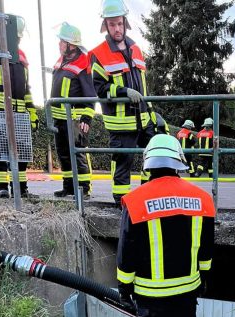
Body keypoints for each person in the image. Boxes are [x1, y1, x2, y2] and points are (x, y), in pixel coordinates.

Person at [116, 134, 215, 317]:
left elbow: (127, 250)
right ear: (179, 162)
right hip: (187, 289)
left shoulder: (135, 200)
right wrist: (203, 277)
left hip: (151, 293)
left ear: (148, 164)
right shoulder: (202, 199)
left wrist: (124, 287)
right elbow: (206, 248)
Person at [89, 0, 155, 207]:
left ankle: (147, 194)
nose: (117, 29)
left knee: (152, 158)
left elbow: (144, 87)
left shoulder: (136, 48)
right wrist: (124, 91)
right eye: (112, 24)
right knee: (122, 163)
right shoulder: (98, 54)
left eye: (119, 23)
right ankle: (121, 202)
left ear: (125, 22)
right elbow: (100, 89)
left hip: (144, 119)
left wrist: (152, 112)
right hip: (121, 123)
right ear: (105, 26)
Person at [0, 16, 39, 199]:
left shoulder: (21, 55)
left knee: (22, 151)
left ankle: (21, 188)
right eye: (16, 37)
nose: (17, 40)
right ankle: (1, 188)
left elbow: (26, 88)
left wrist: (32, 112)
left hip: (19, 112)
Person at [51, 22, 96, 199]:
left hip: (76, 120)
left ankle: (84, 189)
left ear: (71, 44)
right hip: (59, 119)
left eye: (62, 41)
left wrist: (86, 118)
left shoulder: (83, 63)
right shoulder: (61, 60)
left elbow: (90, 94)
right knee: (64, 155)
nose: (59, 44)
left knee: (79, 154)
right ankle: (68, 187)